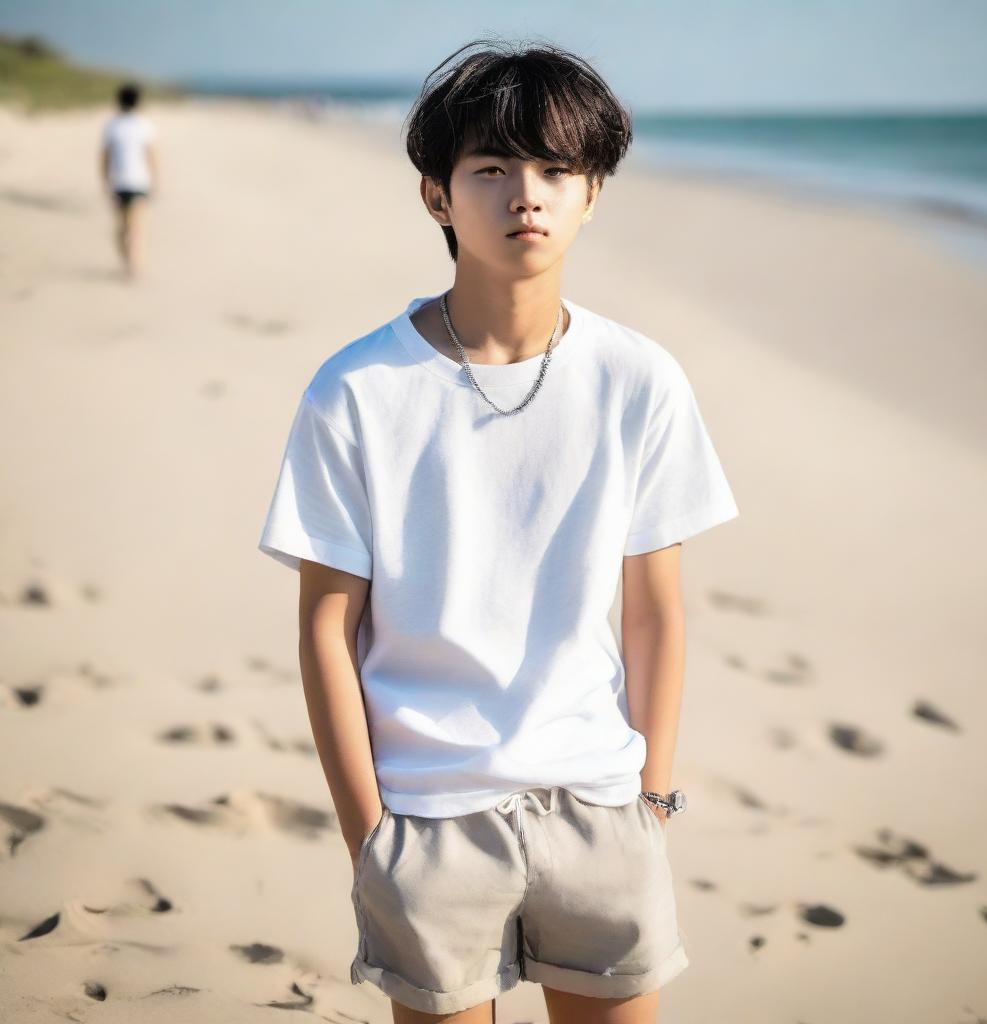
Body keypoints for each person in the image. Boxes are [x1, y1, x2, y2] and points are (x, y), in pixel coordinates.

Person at [258, 37, 739, 1024]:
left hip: (599, 809)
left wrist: (651, 802)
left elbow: (654, 612)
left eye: (558, 169)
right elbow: (324, 631)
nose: (527, 193)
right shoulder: (356, 390)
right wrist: (370, 840)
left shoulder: (637, 378)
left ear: (592, 193)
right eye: (491, 168)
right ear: (436, 195)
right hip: (428, 817)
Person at [100, 82, 158, 280]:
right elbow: (152, 156)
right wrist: (155, 182)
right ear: (138, 102)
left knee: (122, 226)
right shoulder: (145, 125)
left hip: (118, 182)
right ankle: (133, 266)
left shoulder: (112, 125)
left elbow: (104, 157)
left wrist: (104, 180)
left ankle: (128, 261)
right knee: (135, 227)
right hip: (139, 182)